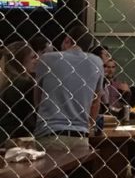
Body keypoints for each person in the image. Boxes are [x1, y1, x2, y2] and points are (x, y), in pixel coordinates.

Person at [33, 22, 104, 156]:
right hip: (80, 133)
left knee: (49, 169)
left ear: (67, 39)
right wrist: (89, 126)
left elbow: (37, 96)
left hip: (50, 131)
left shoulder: (47, 59)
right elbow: (96, 101)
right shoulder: (97, 62)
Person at [0, 40, 39, 143]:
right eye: (33, 57)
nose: (37, 60)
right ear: (21, 60)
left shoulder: (6, 84)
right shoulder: (25, 85)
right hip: (17, 138)